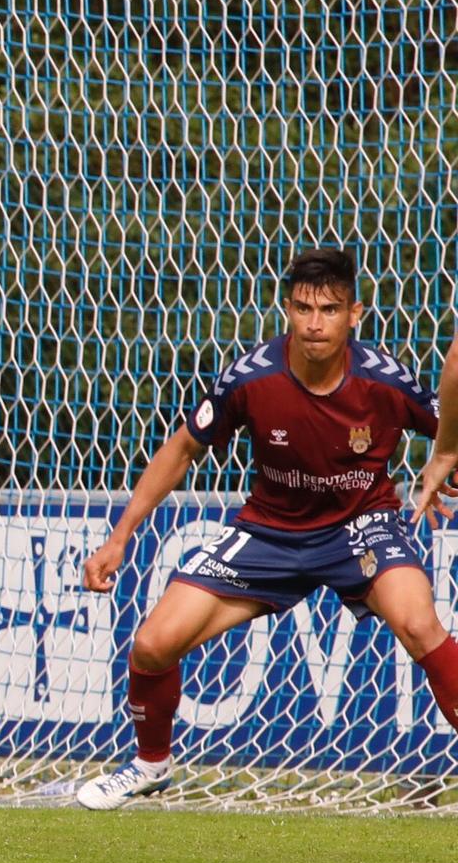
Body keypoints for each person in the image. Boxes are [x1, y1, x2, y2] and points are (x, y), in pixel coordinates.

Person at [76, 246, 458, 809]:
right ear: (287, 310)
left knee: (421, 624)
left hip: (362, 528)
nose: (315, 323)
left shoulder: (384, 381)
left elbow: (446, 421)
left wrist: (445, 458)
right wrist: (120, 536)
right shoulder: (253, 377)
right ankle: (151, 764)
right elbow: (183, 449)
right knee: (153, 645)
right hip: (270, 533)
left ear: (356, 314)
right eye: (303, 308)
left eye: (330, 309)